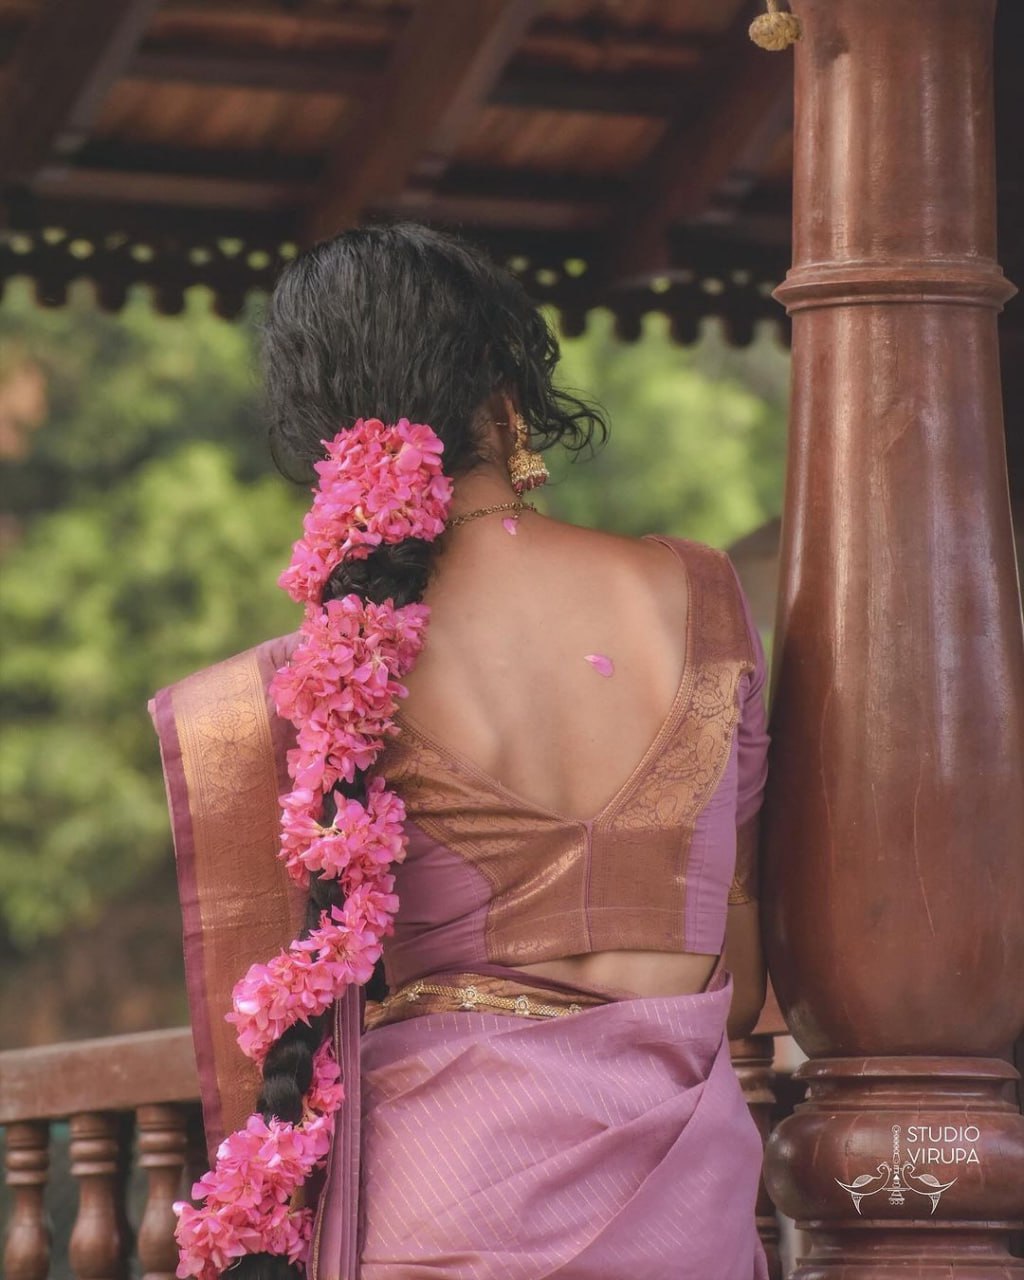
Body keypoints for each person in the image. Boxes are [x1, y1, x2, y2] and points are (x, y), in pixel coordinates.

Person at [152, 222, 771, 1280]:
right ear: (505, 400)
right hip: (690, 1210)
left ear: (317, 440)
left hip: (442, 1208)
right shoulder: (700, 594)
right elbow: (749, 975)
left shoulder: (285, 694)